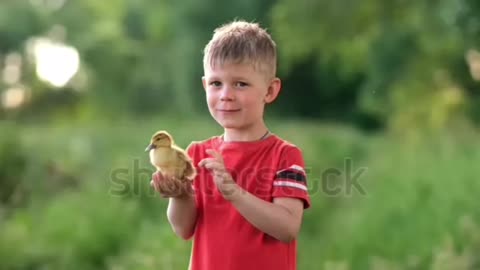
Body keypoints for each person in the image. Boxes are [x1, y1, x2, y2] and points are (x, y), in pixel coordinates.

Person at [151, 20, 311, 270]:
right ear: (205, 86)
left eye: (240, 83)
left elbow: (287, 228)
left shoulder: (285, 156)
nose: (226, 94)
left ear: (269, 91)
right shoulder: (196, 154)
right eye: (216, 83)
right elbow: (183, 228)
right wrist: (180, 195)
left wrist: (233, 192)